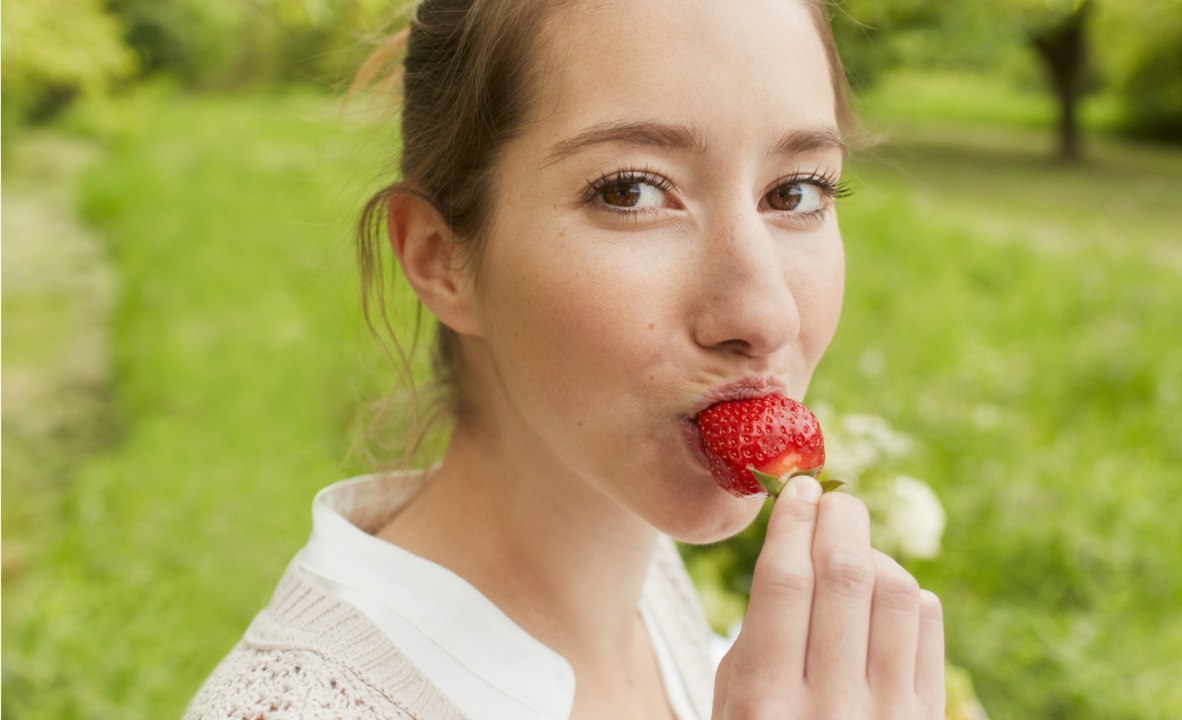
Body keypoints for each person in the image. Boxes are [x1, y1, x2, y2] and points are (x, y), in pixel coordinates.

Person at [186, 0, 945, 718]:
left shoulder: (644, 585)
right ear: (440, 258)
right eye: (632, 191)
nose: (764, 314)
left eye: (796, 191)